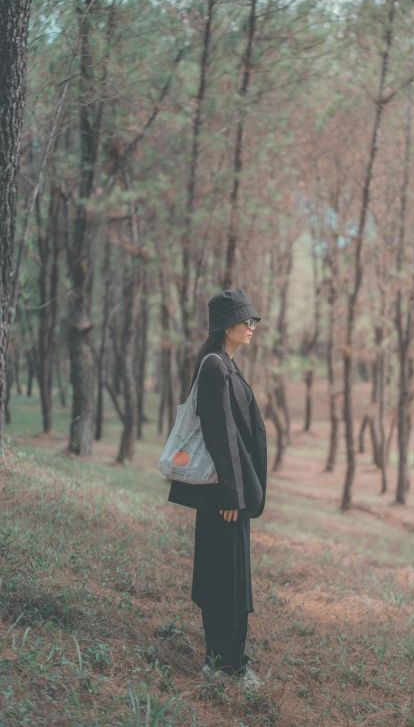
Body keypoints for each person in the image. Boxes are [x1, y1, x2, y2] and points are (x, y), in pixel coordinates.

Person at [167, 289, 267, 690]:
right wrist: (231, 495)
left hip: (232, 496)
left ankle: (229, 660)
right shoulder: (214, 366)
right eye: (248, 321)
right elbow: (220, 434)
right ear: (228, 324)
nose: (253, 328)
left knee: (230, 576)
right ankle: (224, 664)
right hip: (223, 498)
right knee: (223, 578)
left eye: (254, 321)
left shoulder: (224, 364)